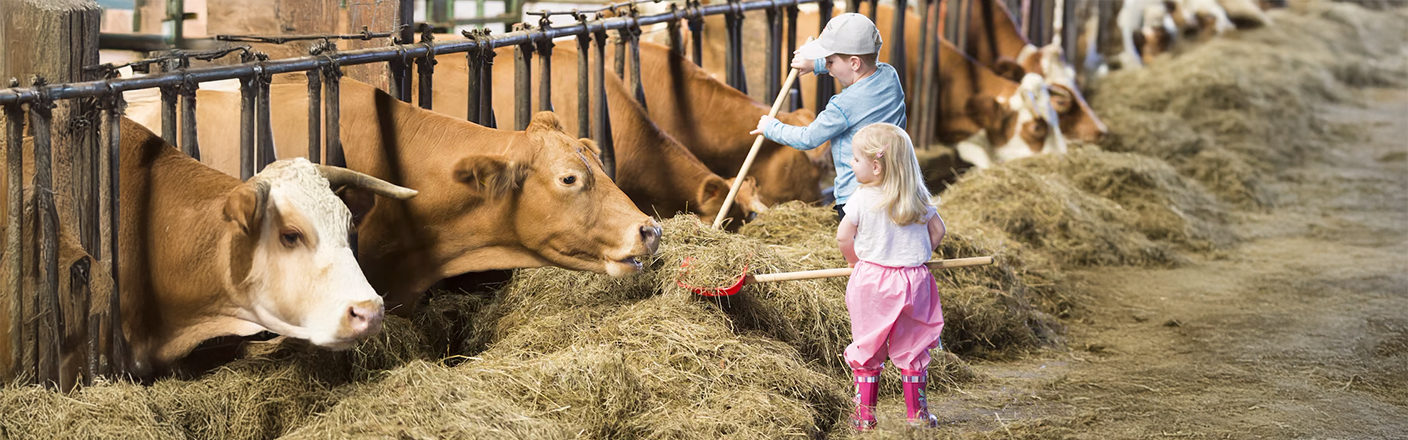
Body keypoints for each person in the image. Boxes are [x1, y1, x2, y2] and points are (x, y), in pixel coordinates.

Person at [836, 123, 946, 430]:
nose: (851, 164)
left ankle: (864, 417)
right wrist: (917, 254)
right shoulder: (918, 197)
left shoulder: (861, 197)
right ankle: (918, 417)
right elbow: (938, 231)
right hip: (915, 281)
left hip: (872, 281)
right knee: (913, 346)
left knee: (868, 345)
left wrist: (855, 262)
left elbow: (843, 237)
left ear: (875, 166)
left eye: (855, 160)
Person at [749, 13, 907, 222]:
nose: (828, 67)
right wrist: (816, 65)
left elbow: (808, 138)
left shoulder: (843, 105)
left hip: (856, 194)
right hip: (896, 185)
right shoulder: (890, 75)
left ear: (854, 63)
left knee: (858, 249)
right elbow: (854, 64)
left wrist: (772, 128)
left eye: (830, 61)